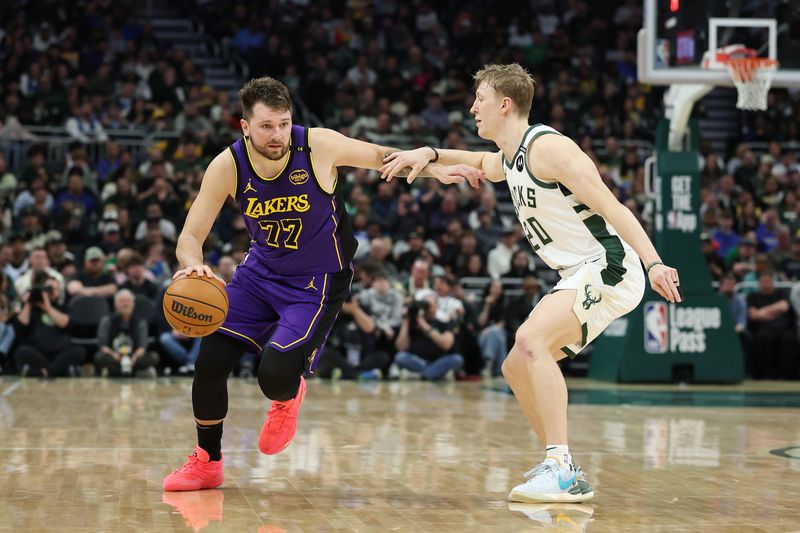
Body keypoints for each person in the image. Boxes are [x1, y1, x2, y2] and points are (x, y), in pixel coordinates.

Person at [381, 63, 681, 502]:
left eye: (479, 99)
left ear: (505, 104)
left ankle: (559, 466)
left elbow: (615, 208)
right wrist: (429, 154)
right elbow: (481, 162)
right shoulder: (513, 154)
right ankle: (565, 466)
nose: (472, 108)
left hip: (609, 264)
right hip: (579, 271)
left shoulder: (551, 149)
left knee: (529, 340)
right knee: (514, 365)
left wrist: (654, 262)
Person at [162, 77, 474, 491]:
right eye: (267, 126)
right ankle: (207, 462)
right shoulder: (227, 165)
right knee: (210, 361)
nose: (278, 135)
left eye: (284, 124)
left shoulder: (319, 145)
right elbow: (189, 237)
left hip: (318, 281)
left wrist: (439, 170)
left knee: (272, 376)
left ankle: (288, 395)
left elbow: (385, 156)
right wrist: (192, 266)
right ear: (245, 127)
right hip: (258, 275)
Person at [94, 289, 159, 377]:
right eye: (122, 301)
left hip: (134, 358)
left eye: (128, 301)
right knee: (99, 357)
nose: (125, 304)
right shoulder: (107, 321)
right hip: (114, 356)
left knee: (153, 357)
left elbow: (142, 347)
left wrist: (134, 358)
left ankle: (114, 372)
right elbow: (102, 346)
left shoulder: (140, 322)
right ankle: (137, 373)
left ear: (133, 304)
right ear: (115, 304)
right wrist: (115, 356)